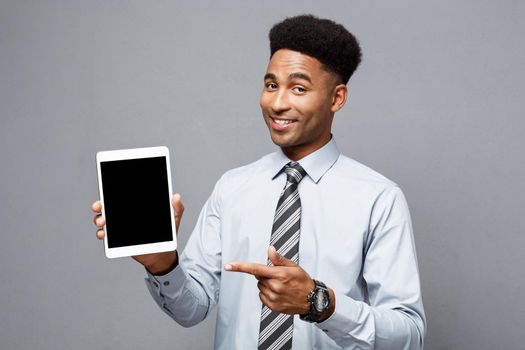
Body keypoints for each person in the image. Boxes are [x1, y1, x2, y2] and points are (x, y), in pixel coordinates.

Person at [92, 14, 425, 350]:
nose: (277, 103)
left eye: (298, 88)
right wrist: (162, 263)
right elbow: (191, 309)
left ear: (337, 98)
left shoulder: (379, 198)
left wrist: (318, 302)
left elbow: (409, 336)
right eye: (270, 85)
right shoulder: (232, 188)